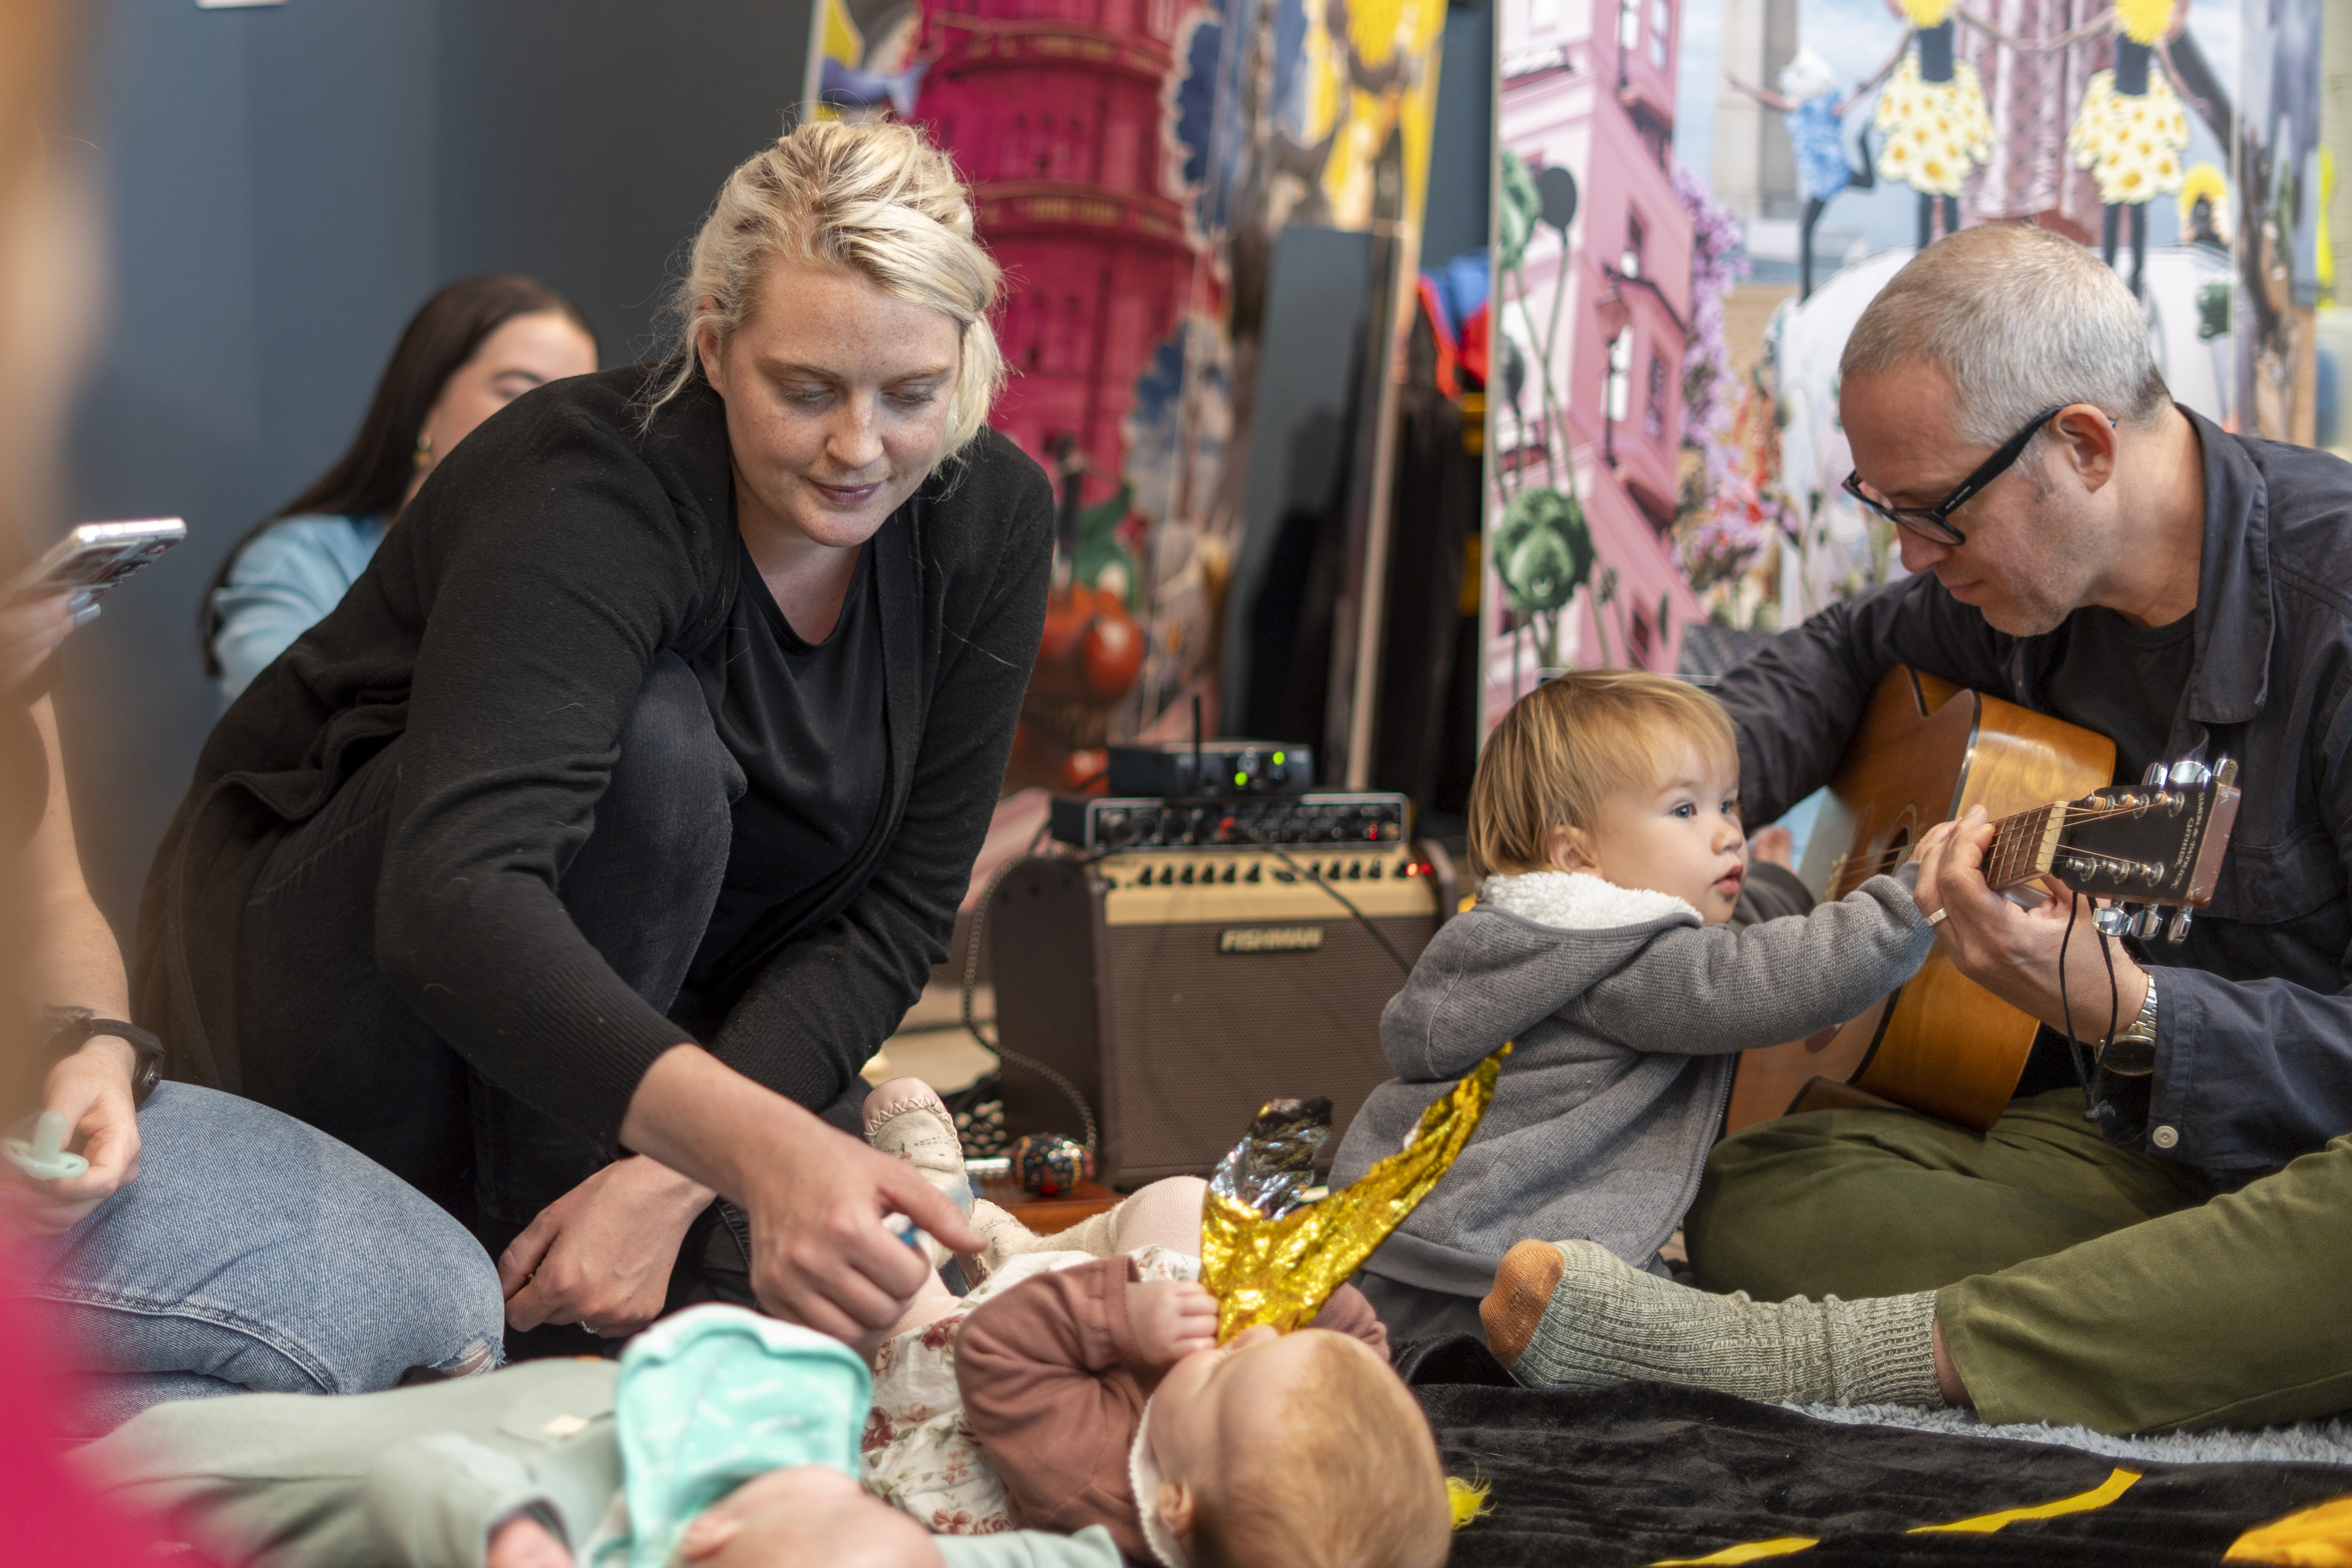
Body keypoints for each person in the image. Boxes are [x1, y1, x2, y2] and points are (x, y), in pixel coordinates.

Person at [135, 118, 1047, 1359]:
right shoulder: (588, 482)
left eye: (911, 395)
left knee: (853, 1286)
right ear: (716, 345)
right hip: (346, 970)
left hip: (640, 1020)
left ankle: (606, 1250)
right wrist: (756, 1150)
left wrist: (669, 1180)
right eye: (808, 390)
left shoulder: (985, 515)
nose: (860, 448)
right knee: (656, 749)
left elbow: (891, 919)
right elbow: (458, 897)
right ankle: (541, 1299)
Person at [1477, 222, 2352, 1436]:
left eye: (1935, 515)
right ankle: (2191, 1313)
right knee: (1758, 1190)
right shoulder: (2020, 591)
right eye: (1884, 511)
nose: (1911, 555)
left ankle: (1825, 1354)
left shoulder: (2335, 608)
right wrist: (1641, 821)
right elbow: (1846, 653)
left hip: (2320, 1152)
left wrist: (2131, 1011)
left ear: (2084, 447)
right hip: (2135, 1143)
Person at [1319, 671, 1946, 1343]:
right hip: (1503, 1271)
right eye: (1685, 811)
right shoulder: (1622, 959)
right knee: (1683, 1330)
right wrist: (1905, 905)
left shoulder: (1522, 940)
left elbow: (1724, 938)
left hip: (1396, 1248)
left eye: (1728, 804)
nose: (1726, 834)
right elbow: (1765, 976)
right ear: (1577, 854)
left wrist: (1774, 879)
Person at [855, 1080, 1452, 1568]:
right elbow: (1360, 1350)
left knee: (887, 1276)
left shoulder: (1089, 1486)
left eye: (1225, 1371)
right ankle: (1019, 1252)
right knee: (1185, 1200)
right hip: (1092, 1334)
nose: (1251, 1337)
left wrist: (1122, 1316)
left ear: (1174, 1502)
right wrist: (1296, 1288)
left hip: (979, 1380)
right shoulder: (1217, 1447)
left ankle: (932, 1213)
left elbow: (994, 1351)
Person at [74, 1305, 1127, 1568]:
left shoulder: (807, 1531)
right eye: (859, 1493)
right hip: (192, 1472)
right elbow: (418, 1473)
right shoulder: (596, 1524)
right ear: (701, 1536)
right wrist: (520, 1540)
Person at [203, 275, 598, 705]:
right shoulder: (302, 562)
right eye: (518, 394)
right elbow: (276, 727)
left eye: (574, 409)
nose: (553, 428)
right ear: (427, 404)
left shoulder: (578, 575)